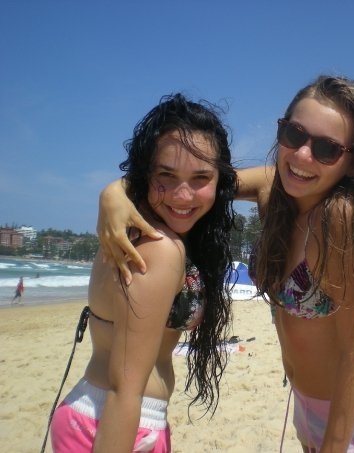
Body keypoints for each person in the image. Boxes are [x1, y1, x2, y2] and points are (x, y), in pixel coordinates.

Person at [97, 76, 354, 452]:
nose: (303, 156)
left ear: (353, 162)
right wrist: (115, 192)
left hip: (353, 414)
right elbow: (196, 181)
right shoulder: (273, 188)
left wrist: (335, 444)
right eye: (294, 134)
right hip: (306, 403)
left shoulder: (339, 220)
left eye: (327, 149)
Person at [50, 93, 237, 452]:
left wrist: (115, 190)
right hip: (116, 423)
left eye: (200, 177)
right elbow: (125, 389)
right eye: (166, 175)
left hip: (102, 415)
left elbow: (274, 180)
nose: (183, 195)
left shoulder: (133, 228)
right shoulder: (159, 248)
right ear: (145, 173)